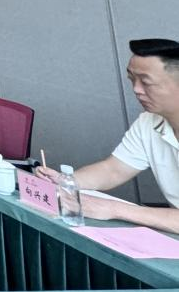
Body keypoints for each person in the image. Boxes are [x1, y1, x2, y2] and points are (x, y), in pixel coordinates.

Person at [37, 39, 179, 233]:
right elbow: (114, 169)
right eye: (132, 80)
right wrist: (67, 182)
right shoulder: (149, 122)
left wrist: (112, 209)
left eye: (146, 82)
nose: (136, 90)